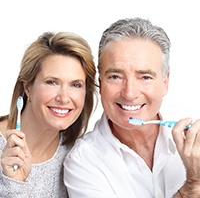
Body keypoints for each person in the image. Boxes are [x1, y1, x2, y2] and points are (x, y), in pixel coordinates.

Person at [64, 17, 200, 197]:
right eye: (115, 77)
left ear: (165, 83)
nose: (129, 93)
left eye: (145, 77)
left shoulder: (194, 134)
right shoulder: (83, 161)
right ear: (100, 83)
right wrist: (193, 185)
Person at [0, 31, 97, 197]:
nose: (64, 98)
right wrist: (13, 186)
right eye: (52, 82)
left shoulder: (77, 161)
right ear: (28, 87)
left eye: (76, 85)